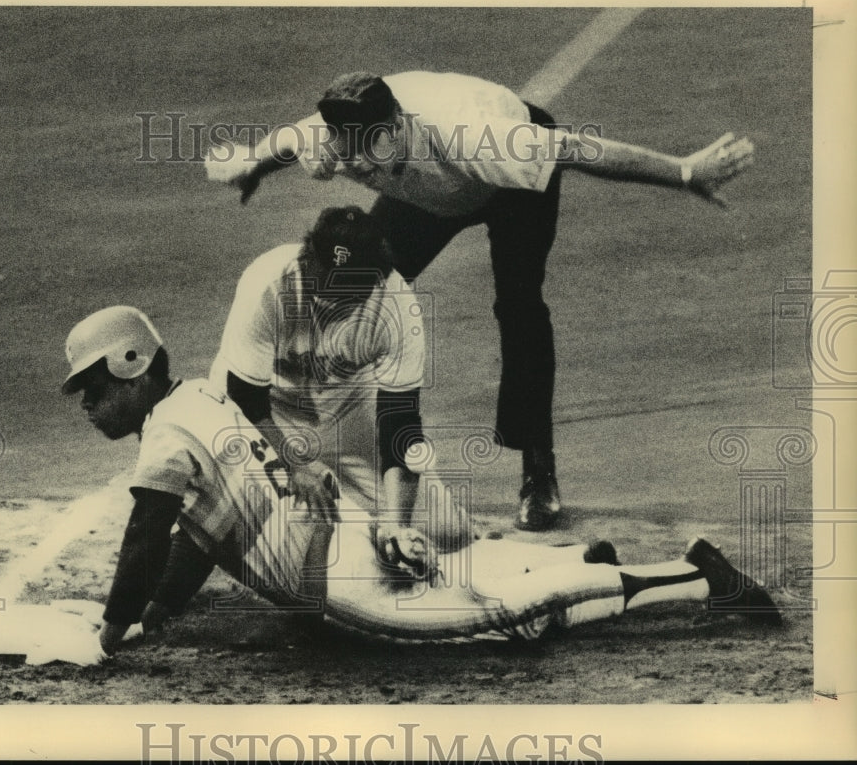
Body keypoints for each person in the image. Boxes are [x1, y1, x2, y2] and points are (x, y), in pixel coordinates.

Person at [59, 305, 781, 662]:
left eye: (93, 389)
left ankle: (698, 579)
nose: (89, 407)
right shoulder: (202, 401)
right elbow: (193, 538)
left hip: (341, 582)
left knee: (508, 622)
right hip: (341, 546)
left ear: (131, 364)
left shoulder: (166, 434)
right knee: (462, 580)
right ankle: (573, 562)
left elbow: (148, 532)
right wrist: (157, 610)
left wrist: (111, 629)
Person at [205, 70, 756, 532]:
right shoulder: (327, 140)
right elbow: (282, 145)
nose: (353, 159)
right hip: (429, 197)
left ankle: (538, 469)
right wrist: (251, 165)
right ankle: (306, 435)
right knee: (355, 286)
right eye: (343, 144)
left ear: (395, 127)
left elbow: (583, 151)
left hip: (504, 188)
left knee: (519, 304)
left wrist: (685, 172)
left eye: (364, 143)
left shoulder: (479, 137)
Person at [208, 204, 473, 559]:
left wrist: (396, 524)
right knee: (290, 535)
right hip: (266, 409)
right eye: (329, 291)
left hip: (345, 402)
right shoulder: (268, 283)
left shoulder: (396, 305)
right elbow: (244, 395)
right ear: (308, 261)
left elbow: (400, 423)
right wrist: (295, 463)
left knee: (449, 534)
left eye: (350, 293)